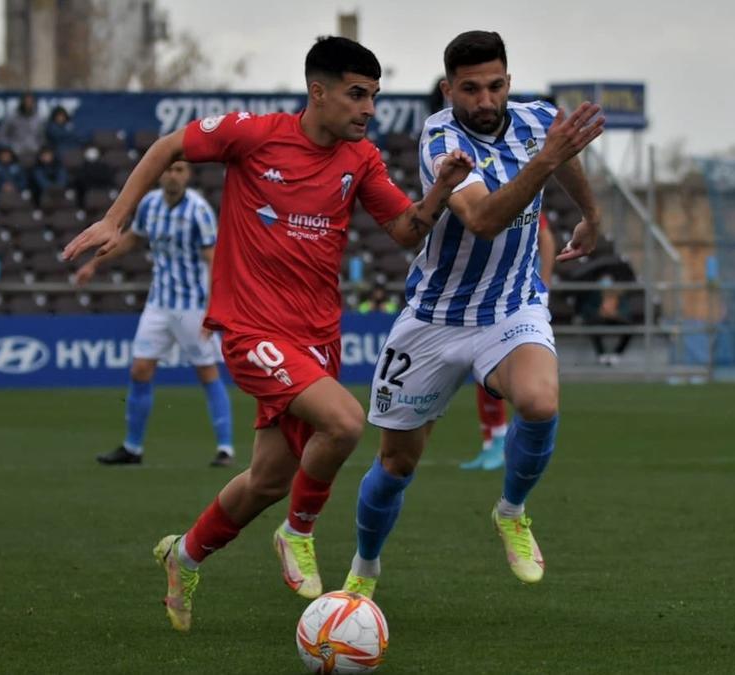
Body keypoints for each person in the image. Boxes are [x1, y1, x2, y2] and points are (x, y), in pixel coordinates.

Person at [62, 36, 473, 633]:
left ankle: (184, 556)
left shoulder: (361, 160)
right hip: (251, 327)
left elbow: (406, 231)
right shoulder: (255, 134)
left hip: (316, 338)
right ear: (318, 91)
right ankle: (298, 532)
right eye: (357, 95)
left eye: (374, 98)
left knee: (269, 479)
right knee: (346, 422)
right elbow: (168, 144)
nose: (368, 110)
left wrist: (441, 191)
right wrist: (116, 217)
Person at [340, 31, 605, 599]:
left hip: (512, 306)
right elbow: (482, 218)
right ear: (448, 89)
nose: (484, 101)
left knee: (539, 401)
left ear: (508, 81)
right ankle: (364, 567)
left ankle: (511, 511)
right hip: (435, 317)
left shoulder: (538, 121)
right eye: (470, 89)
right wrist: (547, 161)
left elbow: (566, 161)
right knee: (395, 465)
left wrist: (590, 213)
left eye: (495, 86)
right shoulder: (440, 137)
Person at [77, 160, 235, 468]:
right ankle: (132, 447)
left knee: (206, 372)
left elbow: (214, 261)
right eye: (168, 170)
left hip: (192, 306)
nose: (172, 175)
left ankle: (225, 448)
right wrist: (95, 263)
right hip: (159, 303)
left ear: (187, 175)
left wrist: (215, 308)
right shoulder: (150, 204)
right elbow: (134, 239)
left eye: (178, 170)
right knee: (140, 370)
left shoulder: (198, 211)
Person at [461, 211, 556, 470]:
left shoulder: (520, 192)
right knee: (481, 365)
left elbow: (546, 238)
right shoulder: (486, 192)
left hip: (517, 298)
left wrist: (544, 285)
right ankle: (493, 439)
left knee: (503, 368)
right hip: (490, 293)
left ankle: (505, 438)